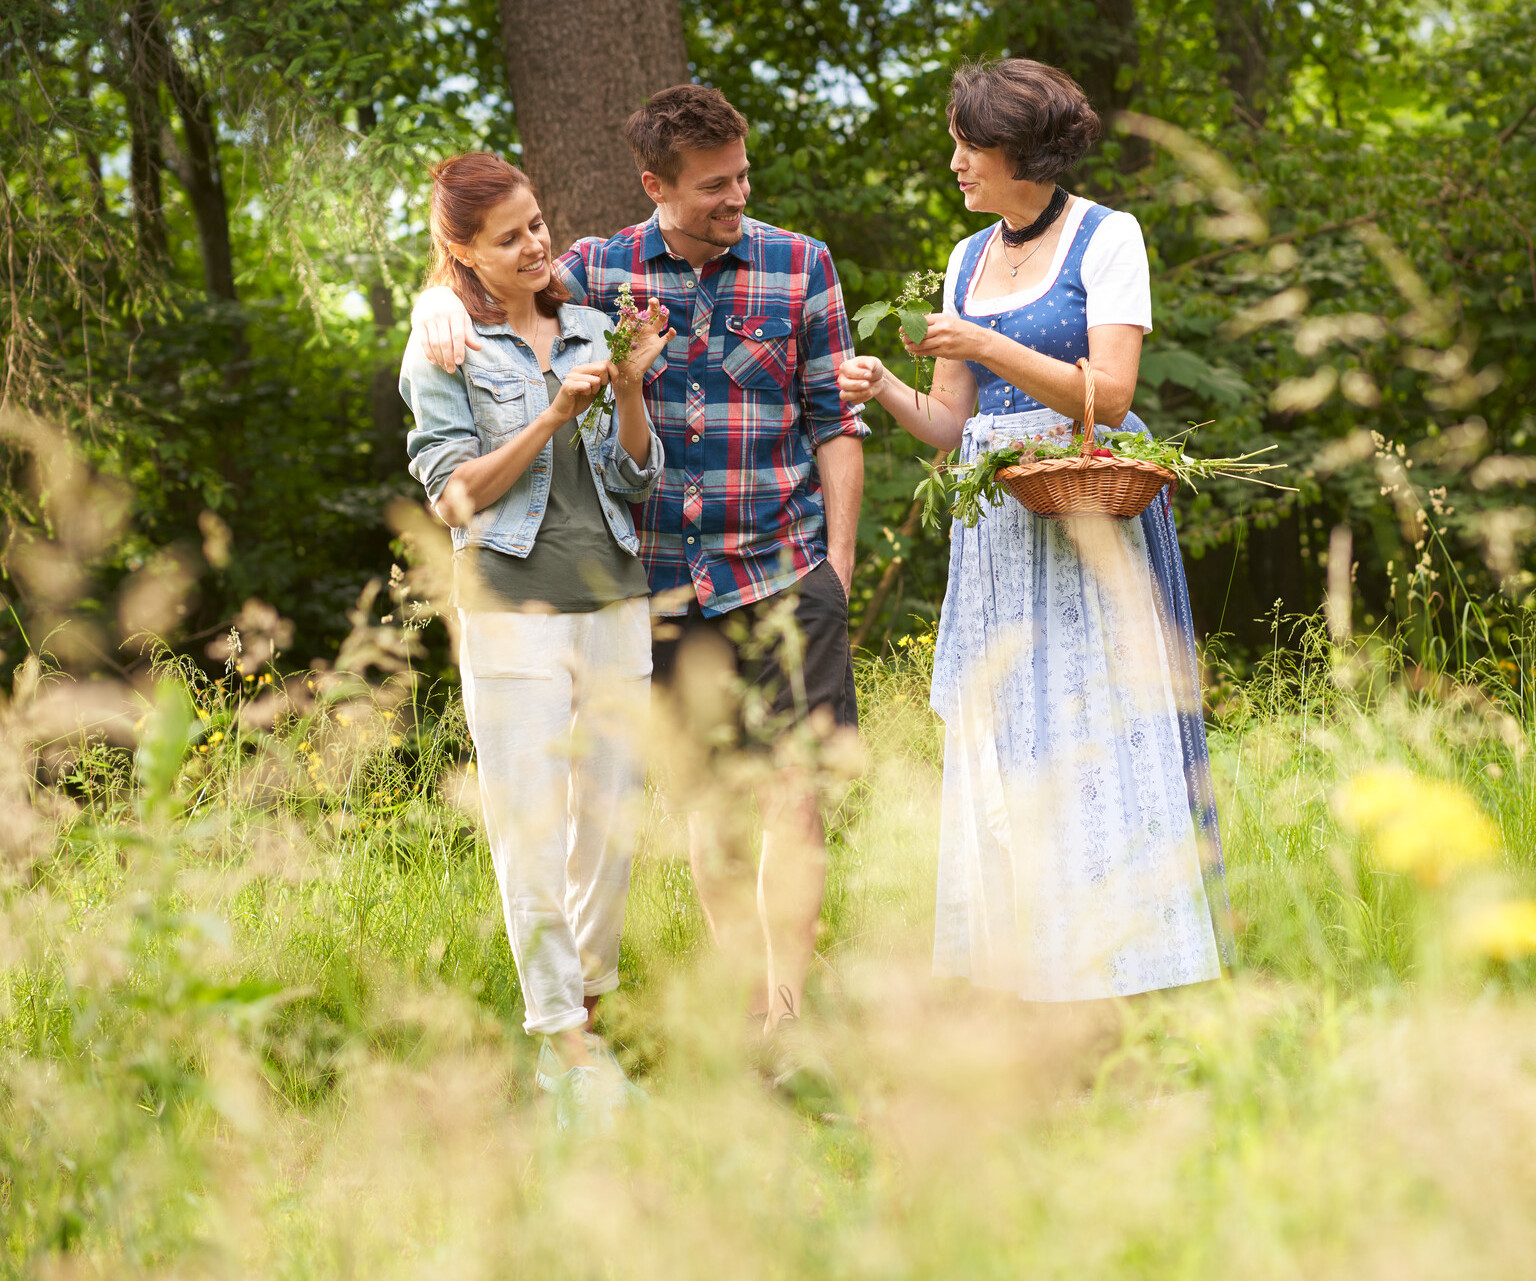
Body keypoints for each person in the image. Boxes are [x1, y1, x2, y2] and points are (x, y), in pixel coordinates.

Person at [410, 86, 868, 1038]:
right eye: (712, 185)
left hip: (784, 569)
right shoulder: (597, 271)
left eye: (742, 174)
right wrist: (428, 311)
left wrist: (840, 565)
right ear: (655, 184)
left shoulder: (800, 266)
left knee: (797, 797)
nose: (736, 195)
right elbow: (493, 291)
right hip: (662, 587)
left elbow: (837, 423)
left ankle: (797, 1007)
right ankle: (752, 1012)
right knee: (710, 803)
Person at [837, 58, 1231, 1001]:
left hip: (1093, 506)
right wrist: (886, 387)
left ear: (1025, 151)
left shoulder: (1108, 236)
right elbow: (951, 427)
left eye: (972, 146)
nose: (957, 162)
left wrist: (983, 343)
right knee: (1010, 735)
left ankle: (1134, 967)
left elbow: (1114, 394)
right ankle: (1027, 971)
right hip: (999, 526)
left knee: (1101, 727)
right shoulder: (967, 259)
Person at [400, 152, 672, 1122]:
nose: (535, 243)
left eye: (537, 222)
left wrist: (631, 389)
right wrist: (555, 415)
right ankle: (560, 1038)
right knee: (532, 827)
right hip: (509, 610)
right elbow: (454, 496)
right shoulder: (445, 348)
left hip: (611, 600)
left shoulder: (590, 326)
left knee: (604, 827)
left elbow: (637, 482)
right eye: (510, 235)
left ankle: (585, 1024)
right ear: (463, 253)